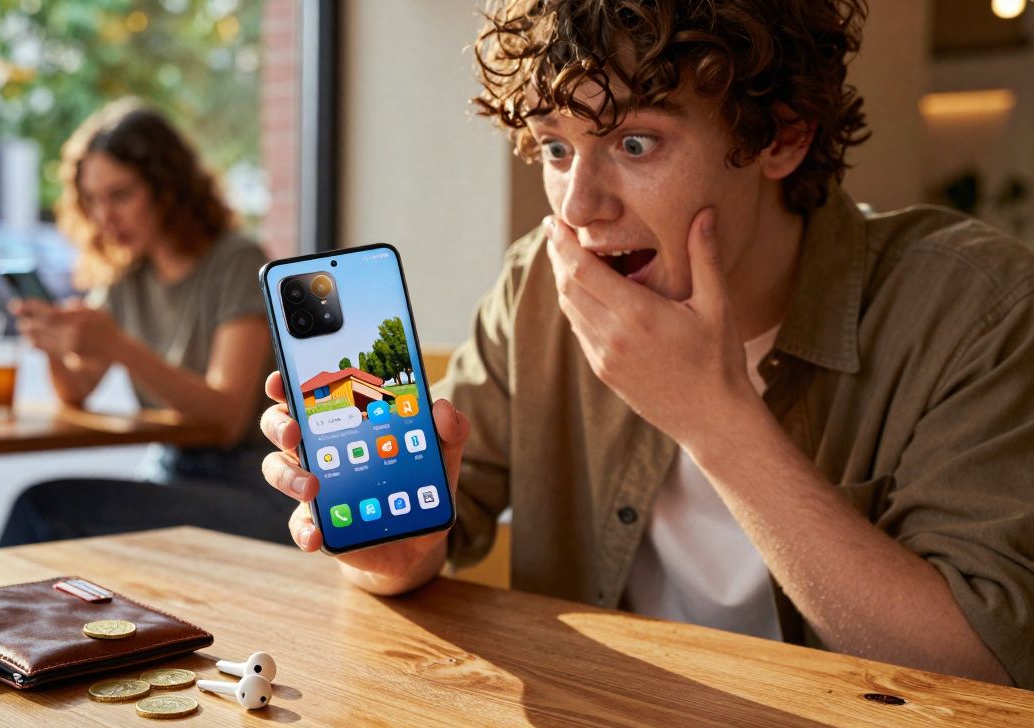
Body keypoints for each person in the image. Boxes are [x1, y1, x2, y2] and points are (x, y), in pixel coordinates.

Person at [257, 0, 1033, 688]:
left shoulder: (976, 307)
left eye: (634, 144)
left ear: (784, 136)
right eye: (556, 148)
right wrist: (392, 557)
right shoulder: (539, 284)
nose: (579, 206)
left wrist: (714, 418)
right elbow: (434, 530)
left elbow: (986, 669)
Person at [0, 100, 294, 546]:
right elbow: (76, 389)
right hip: (171, 469)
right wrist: (54, 345)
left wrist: (119, 346)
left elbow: (227, 419)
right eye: (92, 200)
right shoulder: (127, 276)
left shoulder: (236, 261)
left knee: (45, 509)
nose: (105, 217)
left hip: (253, 485)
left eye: (120, 195)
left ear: (168, 188)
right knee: (49, 512)